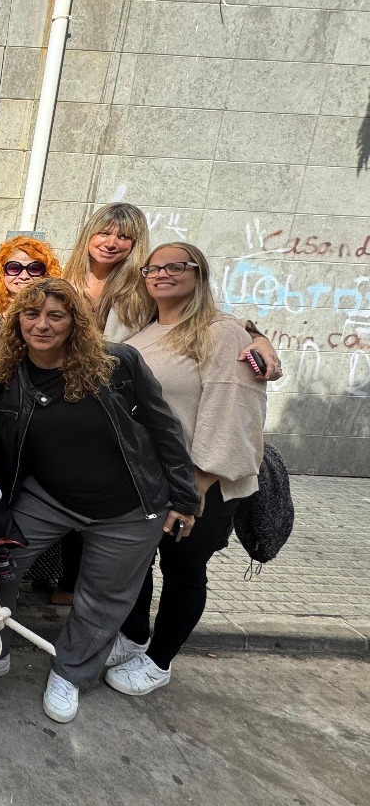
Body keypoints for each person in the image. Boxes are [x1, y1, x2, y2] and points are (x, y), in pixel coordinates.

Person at [0, 278, 198, 725]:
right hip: (48, 497)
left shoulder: (117, 364)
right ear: (17, 322)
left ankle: (70, 672)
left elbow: (164, 428)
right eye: (31, 314)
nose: (42, 325)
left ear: (75, 322)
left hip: (129, 508)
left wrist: (185, 498)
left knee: (101, 600)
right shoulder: (8, 376)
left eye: (56, 315)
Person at [106, 243, 265, 696]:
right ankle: (134, 636)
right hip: (144, 479)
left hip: (198, 485)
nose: (162, 274)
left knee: (183, 572)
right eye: (153, 268)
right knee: (137, 563)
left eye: (176, 266)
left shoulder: (222, 334)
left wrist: (193, 491)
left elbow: (233, 413)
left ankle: (159, 660)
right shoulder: (144, 331)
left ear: (199, 273)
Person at [63, 203, 282, 373]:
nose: (111, 243)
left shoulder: (144, 285)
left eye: (123, 237)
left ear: (135, 244)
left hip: (111, 390)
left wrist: (258, 338)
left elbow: (202, 313)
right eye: (103, 233)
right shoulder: (62, 280)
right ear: (89, 235)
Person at [0, 236, 62, 361]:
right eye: (14, 268)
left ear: (46, 274)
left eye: (34, 269)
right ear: (1, 272)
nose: (24, 276)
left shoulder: (57, 310)